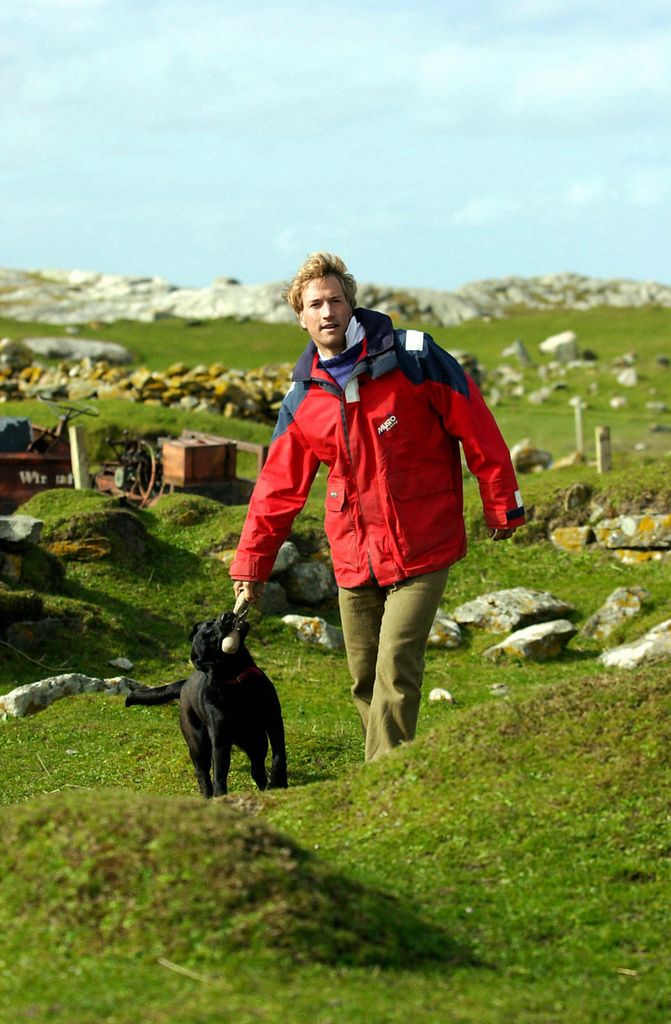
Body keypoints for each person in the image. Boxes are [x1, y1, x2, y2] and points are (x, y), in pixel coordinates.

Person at [230, 252, 525, 762]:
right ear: (300, 317)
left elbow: (475, 424)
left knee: (395, 667)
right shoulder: (301, 397)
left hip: (422, 542)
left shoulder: (414, 356)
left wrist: (501, 500)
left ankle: (380, 781)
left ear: (352, 304)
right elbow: (276, 489)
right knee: (364, 677)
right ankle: (395, 768)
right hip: (353, 552)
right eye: (315, 304)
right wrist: (252, 566)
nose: (327, 312)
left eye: (335, 300)